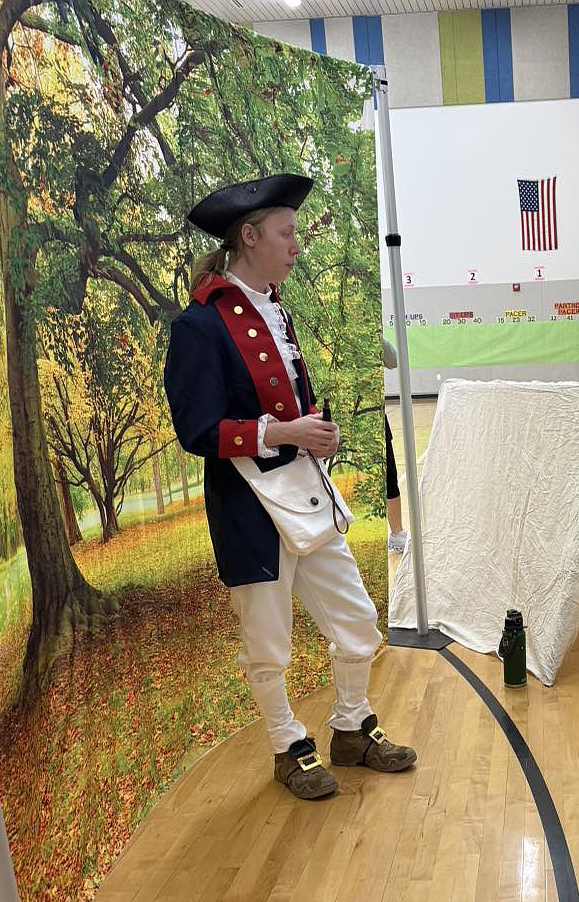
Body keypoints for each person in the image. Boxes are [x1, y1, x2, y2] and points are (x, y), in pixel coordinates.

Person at [164, 174, 416, 801]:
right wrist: (286, 431)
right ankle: (287, 747)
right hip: (248, 508)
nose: (296, 245)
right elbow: (198, 430)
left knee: (357, 622)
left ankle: (352, 729)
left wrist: (309, 435)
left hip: (302, 493)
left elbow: (285, 411)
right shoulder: (199, 326)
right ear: (249, 237)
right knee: (268, 646)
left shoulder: (274, 308)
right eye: (287, 233)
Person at [381, 337, 409, 553]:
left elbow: (392, 361)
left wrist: (377, 337)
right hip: (337, 418)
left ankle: (397, 533)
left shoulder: (368, 336)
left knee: (390, 475)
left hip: (375, 417)